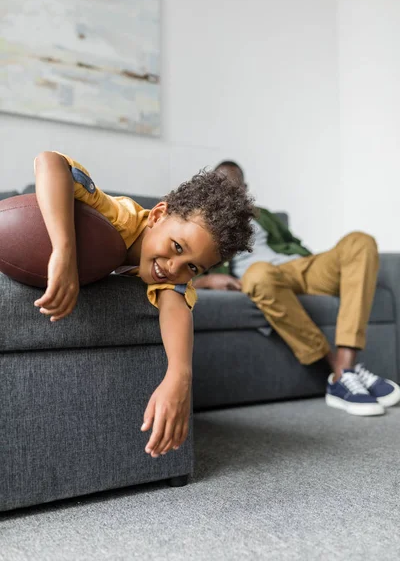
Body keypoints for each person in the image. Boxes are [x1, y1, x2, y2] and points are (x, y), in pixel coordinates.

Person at [33, 151, 255, 458]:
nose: (175, 267)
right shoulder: (119, 218)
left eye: (193, 268)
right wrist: (64, 250)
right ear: (157, 215)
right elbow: (50, 161)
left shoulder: (171, 274)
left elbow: (175, 302)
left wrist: (179, 376)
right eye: (177, 247)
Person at [195, 160, 400, 416]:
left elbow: (294, 243)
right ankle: (342, 373)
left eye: (235, 185)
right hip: (261, 277)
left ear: (245, 188)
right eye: (221, 185)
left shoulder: (263, 214)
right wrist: (206, 281)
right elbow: (185, 268)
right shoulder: (205, 222)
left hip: (301, 267)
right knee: (258, 274)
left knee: (360, 241)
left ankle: (345, 368)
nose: (228, 191)